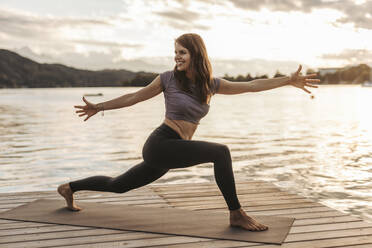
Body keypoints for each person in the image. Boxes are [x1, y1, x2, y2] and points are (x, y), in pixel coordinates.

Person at [58, 33, 319, 231]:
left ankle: (69, 187)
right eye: (175, 53)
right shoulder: (167, 79)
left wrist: (287, 80)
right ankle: (236, 213)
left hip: (172, 151)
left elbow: (251, 85)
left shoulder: (211, 84)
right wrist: (99, 106)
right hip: (161, 143)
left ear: (196, 53)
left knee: (118, 185)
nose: (177, 57)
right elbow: (135, 96)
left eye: (182, 52)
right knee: (221, 152)